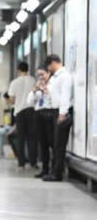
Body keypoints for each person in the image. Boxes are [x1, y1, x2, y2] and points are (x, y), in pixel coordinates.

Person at [43, 54, 74, 182]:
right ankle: (54, 171)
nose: (49, 69)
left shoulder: (64, 76)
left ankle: (57, 173)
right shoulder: (56, 77)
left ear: (53, 63)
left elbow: (65, 96)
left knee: (59, 144)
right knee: (56, 143)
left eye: (49, 67)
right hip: (56, 111)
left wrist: (62, 114)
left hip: (62, 113)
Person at [27, 65, 57, 178]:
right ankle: (44, 169)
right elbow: (29, 102)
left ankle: (54, 169)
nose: (41, 77)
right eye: (38, 75)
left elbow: (56, 99)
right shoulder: (37, 86)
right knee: (42, 144)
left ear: (48, 73)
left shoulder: (53, 84)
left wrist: (47, 91)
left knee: (52, 143)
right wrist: (35, 91)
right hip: (38, 114)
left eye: (42, 74)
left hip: (50, 114)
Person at [8, 62, 37, 169]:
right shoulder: (33, 80)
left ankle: (21, 163)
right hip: (31, 110)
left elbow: (11, 99)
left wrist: (12, 101)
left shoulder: (14, 82)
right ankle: (33, 162)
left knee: (20, 138)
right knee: (32, 138)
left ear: (18, 70)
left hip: (19, 111)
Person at [0, 92, 15, 159]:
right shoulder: (8, 109)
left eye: (6, 99)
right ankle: (0, 152)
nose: (5, 101)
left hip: (13, 128)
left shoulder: (15, 107)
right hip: (9, 127)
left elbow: (13, 122)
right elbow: (7, 121)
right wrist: (4, 125)